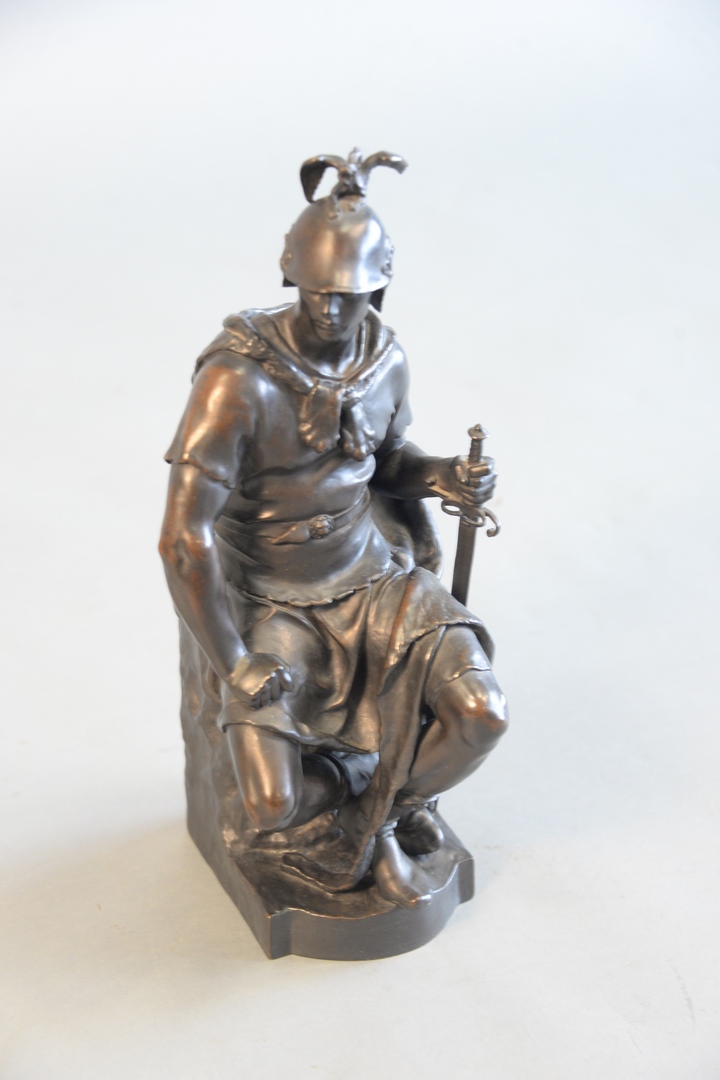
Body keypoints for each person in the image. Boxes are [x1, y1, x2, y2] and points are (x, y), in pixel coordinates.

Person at [159, 150, 508, 908]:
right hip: (277, 604)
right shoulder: (236, 378)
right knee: (269, 807)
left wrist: (444, 475)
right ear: (291, 275)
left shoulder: (385, 361)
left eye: (348, 294)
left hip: (375, 585)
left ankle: (382, 813)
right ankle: (367, 792)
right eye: (318, 292)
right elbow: (183, 538)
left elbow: (388, 464)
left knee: (481, 714)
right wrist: (234, 661)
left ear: (378, 285)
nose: (330, 310)